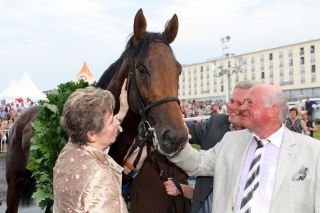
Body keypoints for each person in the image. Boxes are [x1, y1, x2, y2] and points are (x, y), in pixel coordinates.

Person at [165, 84, 320, 213]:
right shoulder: (231, 141)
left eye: (249, 103)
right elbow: (198, 164)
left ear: (273, 110)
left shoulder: (313, 152)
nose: (241, 108)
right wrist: (173, 142)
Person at [171, 80, 257, 213]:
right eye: (231, 101)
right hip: (205, 204)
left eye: (238, 103)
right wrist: (174, 122)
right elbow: (190, 130)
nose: (231, 107)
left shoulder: (261, 140)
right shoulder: (216, 122)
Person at [53, 80, 129, 212]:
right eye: (111, 121)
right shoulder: (101, 178)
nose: (116, 122)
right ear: (92, 135)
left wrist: (122, 112)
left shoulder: (68, 150)